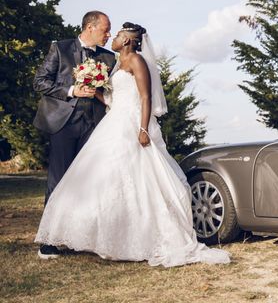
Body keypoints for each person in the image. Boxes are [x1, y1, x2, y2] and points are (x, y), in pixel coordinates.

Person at [35, 22, 230, 267]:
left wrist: (142, 128)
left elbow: (145, 97)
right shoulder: (112, 61)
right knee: (93, 179)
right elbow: (111, 98)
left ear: (127, 40)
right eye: (108, 31)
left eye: (116, 34)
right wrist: (89, 88)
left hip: (129, 124)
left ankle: (138, 236)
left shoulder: (135, 61)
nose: (111, 37)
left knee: (135, 179)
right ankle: (86, 235)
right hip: (106, 121)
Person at [33, 10, 115, 259]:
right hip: (63, 124)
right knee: (58, 181)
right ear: (90, 27)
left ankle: (81, 237)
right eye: (105, 29)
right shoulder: (60, 48)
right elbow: (40, 81)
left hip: (94, 126)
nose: (109, 35)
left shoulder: (109, 58)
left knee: (89, 183)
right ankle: (48, 241)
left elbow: (112, 91)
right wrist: (72, 90)